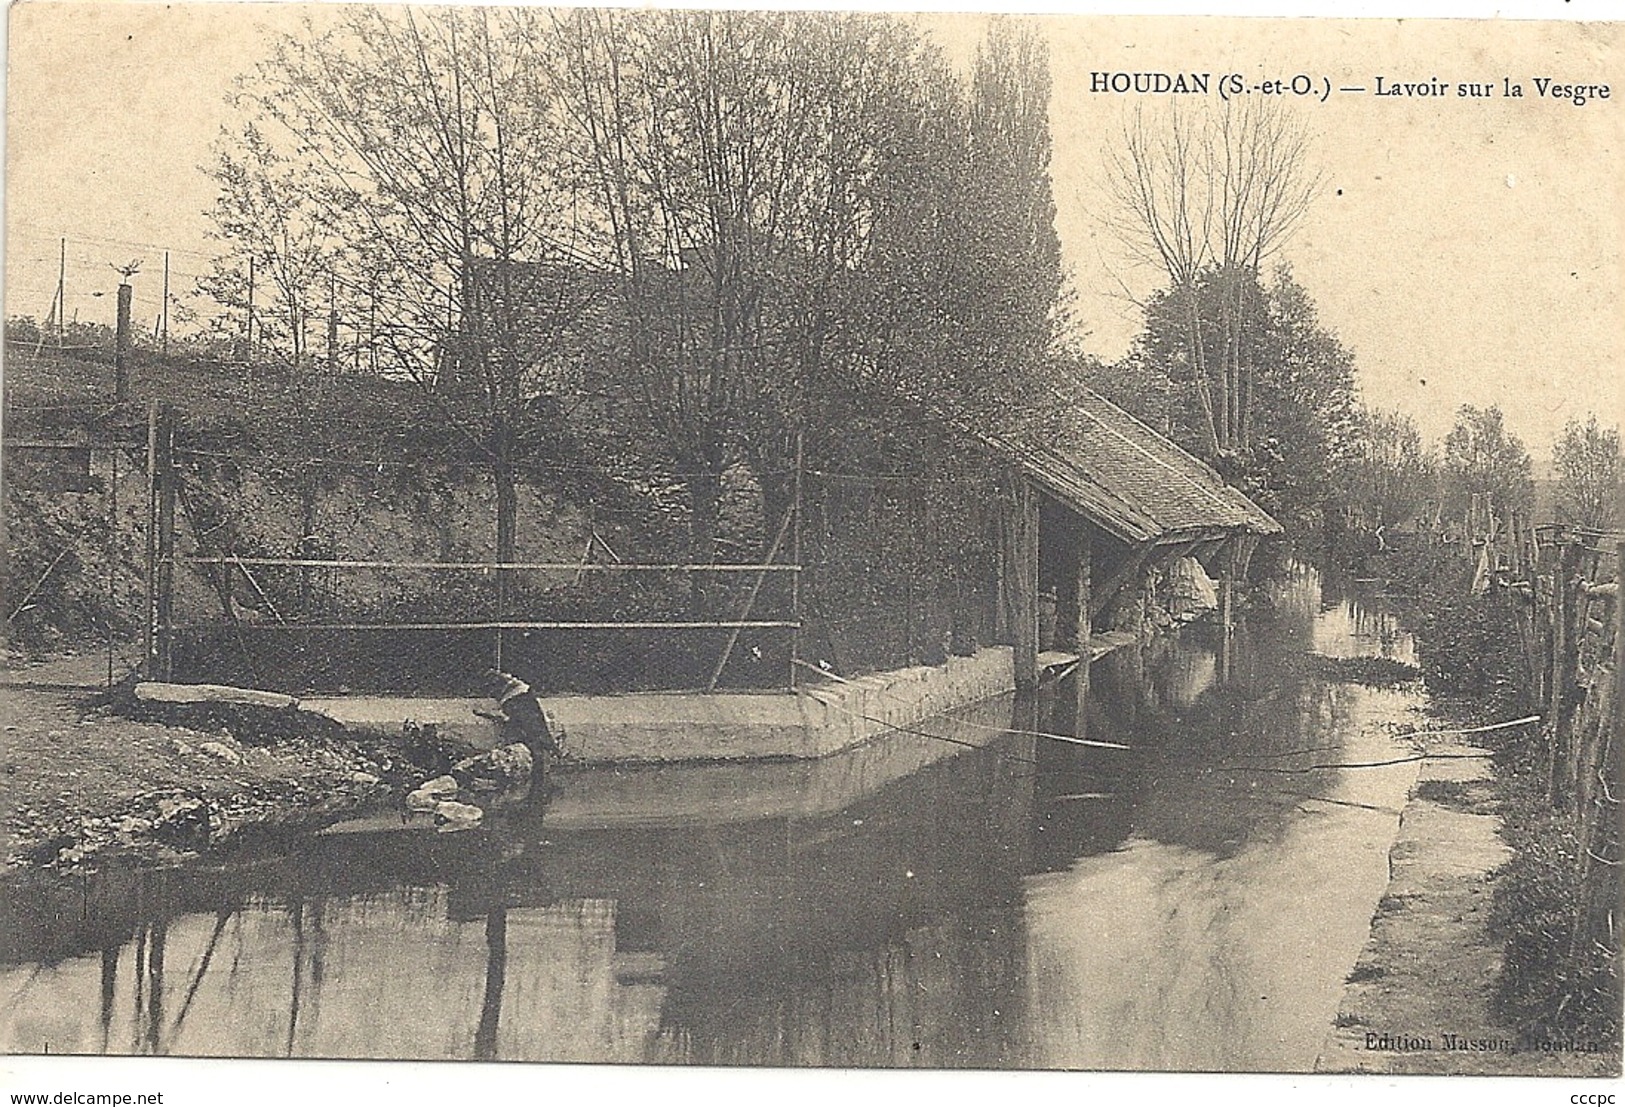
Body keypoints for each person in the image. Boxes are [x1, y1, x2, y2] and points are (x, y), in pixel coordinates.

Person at [475, 669, 561, 798]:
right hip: (532, 731)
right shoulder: (520, 693)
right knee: (537, 754)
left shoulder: (515, 699)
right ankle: (538, 788)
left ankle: (537, 789)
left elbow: (507, 718)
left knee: (536, 751)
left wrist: (483, 712)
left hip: (529, 733)